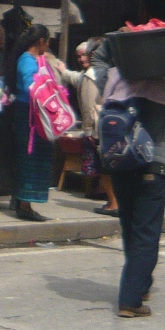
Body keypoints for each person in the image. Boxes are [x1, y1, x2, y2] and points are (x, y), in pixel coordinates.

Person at [96, 44, 165, 318]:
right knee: (146, 234)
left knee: (131, 229)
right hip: (153, 167)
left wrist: (113, 46)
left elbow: (98, 63)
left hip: (119, 165)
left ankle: (141, 282)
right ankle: (130, 300)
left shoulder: (115, 80)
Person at [60, 38, 119, 216]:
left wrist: (91, 131)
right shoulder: (110, 72)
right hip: (111, 127)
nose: (82, 59)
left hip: (99, 129)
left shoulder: (92, 75)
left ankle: (113, 203)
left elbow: (91, 107)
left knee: (105, 169)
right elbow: (75, 78)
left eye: (85, 55)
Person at [7, 24, 55, 222]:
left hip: (32, 115)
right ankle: (25, 205)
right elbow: (30, 86)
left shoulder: (34, 59)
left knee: (31, 159)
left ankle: (19, 199)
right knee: (30, 160)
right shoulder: (27, 61)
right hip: (30, 117)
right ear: (41, 42)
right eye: (48, 41)